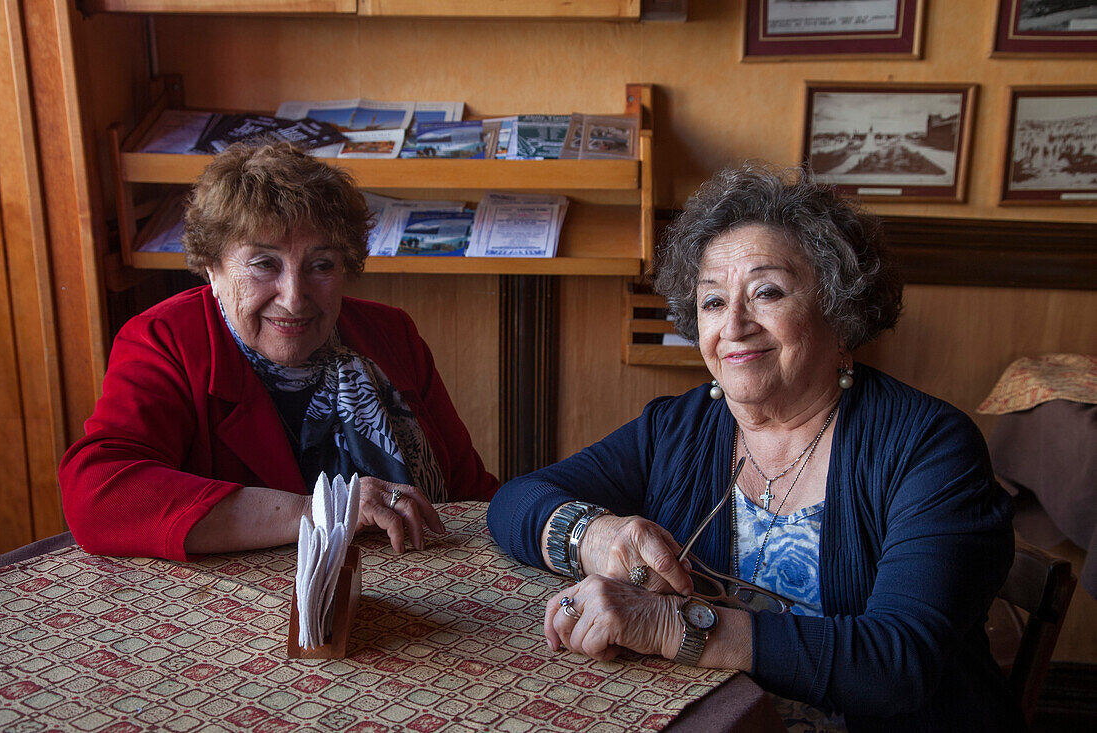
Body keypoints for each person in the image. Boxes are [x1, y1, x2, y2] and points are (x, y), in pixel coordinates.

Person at [487, 162, 1023, 732]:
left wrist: (675, 626)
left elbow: (896, 662)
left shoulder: (928, 446)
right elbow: (514, 502)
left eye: (766, 292)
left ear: (840, 315)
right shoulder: (679, 427)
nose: (735, 325)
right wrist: (595, 536)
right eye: (713, 302)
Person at [61, 141, 497, 561]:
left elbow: (472, 494)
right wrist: (320, 510)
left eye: (320, 265)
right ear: (212, 268)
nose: (294, 297)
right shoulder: (167, 340)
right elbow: (99, 493)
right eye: (264, 264)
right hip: (244, 616)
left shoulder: (390, 334)